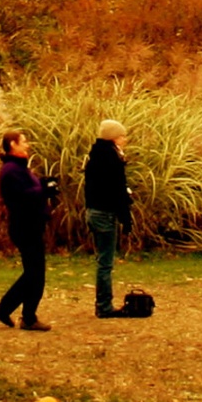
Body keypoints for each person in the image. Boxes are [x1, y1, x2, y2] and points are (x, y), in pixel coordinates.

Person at [0, 130, 56, 331]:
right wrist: (44, 190)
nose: (28, 145)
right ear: (12, 144)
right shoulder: (11, 171)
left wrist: (44, 184)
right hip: (25, 227)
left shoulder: (19, 169)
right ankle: (20, 314)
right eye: (24, 142)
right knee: (35, 274)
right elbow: (22, 198)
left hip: (30, 226)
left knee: (34, 273)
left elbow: (31, 191)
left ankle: (13, 310)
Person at [85, 117, 133, 318]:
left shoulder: (94, 157)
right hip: (105, 214)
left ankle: (103, 303)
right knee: (106, 262)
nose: (124, 140)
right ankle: (104, 306)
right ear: (113, 138)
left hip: (93, 212)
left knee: (102, 259)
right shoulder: (112, 159)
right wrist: (126, 218)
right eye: (121, 136)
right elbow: (117, 190)